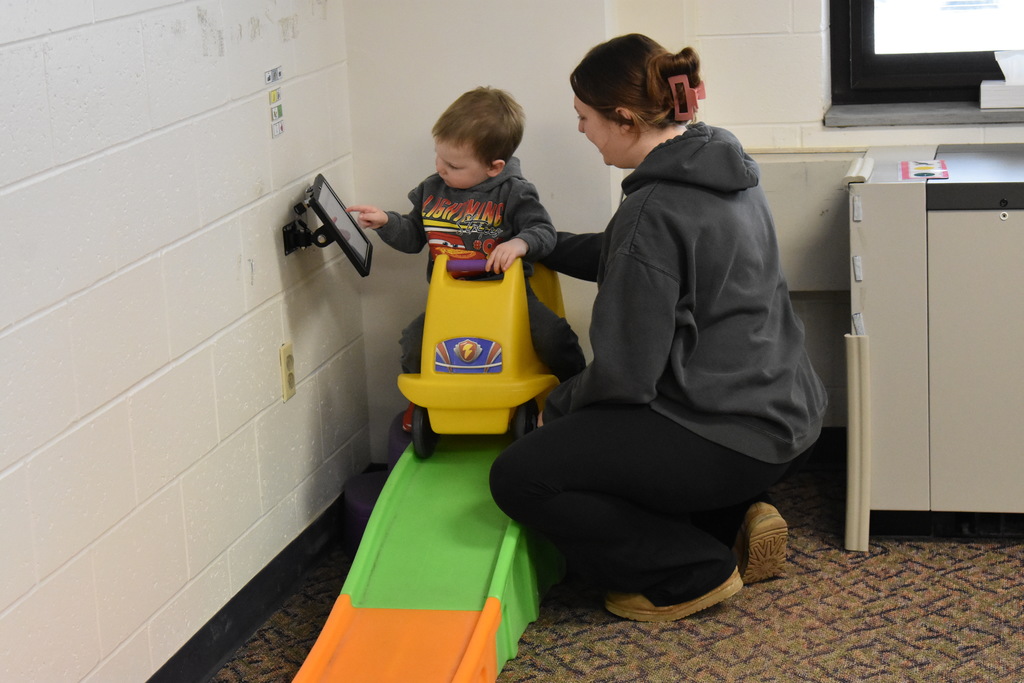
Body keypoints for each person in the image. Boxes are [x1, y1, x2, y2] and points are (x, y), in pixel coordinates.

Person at [489, 35, 828, 622]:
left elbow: (624, 377)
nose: (580, 131)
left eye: (584, 119)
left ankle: (691, 571)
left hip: (728, 432)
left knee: (523, 474)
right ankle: (737, 514)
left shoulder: (653, 208)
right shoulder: (719, 163)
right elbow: (636, 256)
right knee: (607, 441)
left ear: (623, 120)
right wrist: (542, 248)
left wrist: (559, 405)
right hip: (786, 416)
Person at [348, 86, 584, 382]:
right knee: (413, 344)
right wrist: (386, 222)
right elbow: (413, 237)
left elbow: (544, 231)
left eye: (454, 165)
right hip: (450, 299)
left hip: (509, 296)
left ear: (494, 167)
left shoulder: (514, 191)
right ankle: (423, 403)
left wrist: (519, 243)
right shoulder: (431, 190)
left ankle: (576, 394)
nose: (441, 169)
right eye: (439, 157)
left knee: (554, 337)